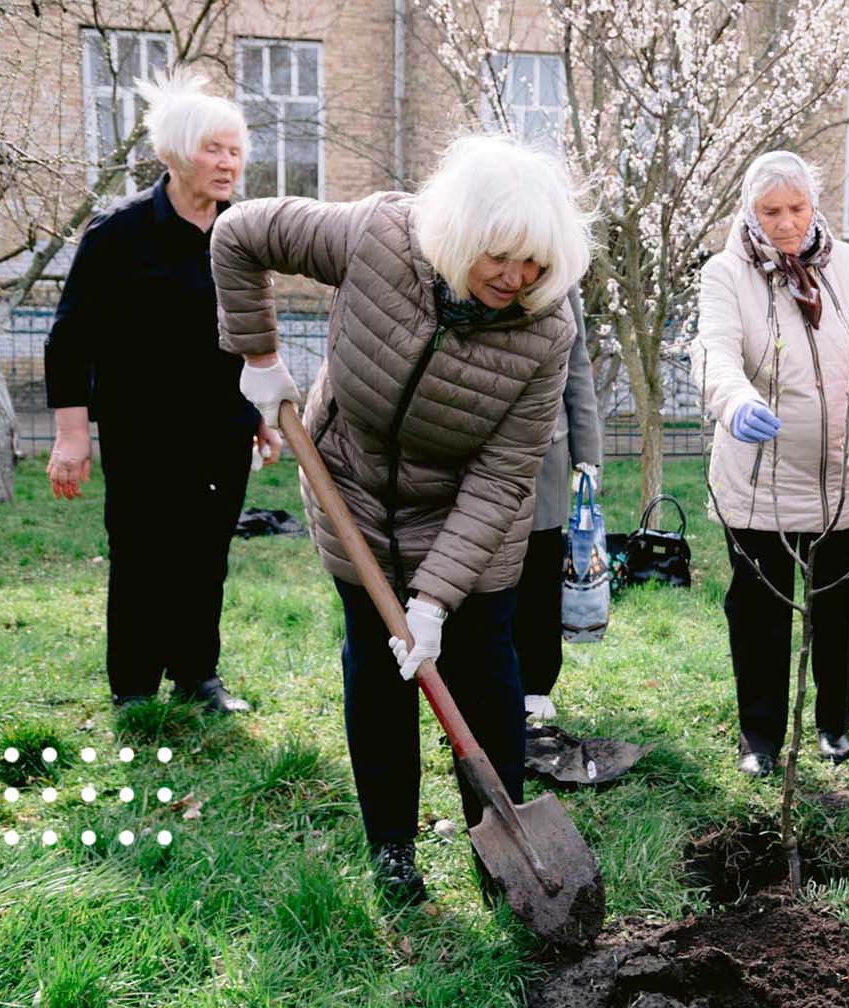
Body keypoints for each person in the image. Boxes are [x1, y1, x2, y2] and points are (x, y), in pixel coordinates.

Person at [211, 134, 592, 905]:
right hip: (349, 491)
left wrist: (434, 599)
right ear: (459, 235)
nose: (516, 278)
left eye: (536, 265)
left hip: (469, 521)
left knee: (484, 677)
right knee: (376, 676)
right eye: (499, 256)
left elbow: (503, 474)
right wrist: (257, 356)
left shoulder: (546, 332)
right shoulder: (381, 236)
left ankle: (501, 852)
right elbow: (239, 234)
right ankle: (391, 848)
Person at [44, 68, 264, 715]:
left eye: (235, 150)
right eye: (214, 150)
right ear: (175, 153)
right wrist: (71, 434)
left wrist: (258, 414)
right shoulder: (118, 233)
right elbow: (69, 339)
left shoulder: (240, 233)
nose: (228, 163)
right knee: (142, 554)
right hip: (142, 430)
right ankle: (134, 688)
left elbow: (248, 332)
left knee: (206, 554)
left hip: (221, 430)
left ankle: (198, 675)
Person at [695, 150, 849, 777]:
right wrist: (733, 402)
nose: (786, 223)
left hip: (846, 479)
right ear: (749, 213)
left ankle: (833, 727)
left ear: (814, 206)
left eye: (797, 208)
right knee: (758, 616)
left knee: (839, 615)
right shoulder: (727, 274)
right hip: (759, 483)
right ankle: (759, 737)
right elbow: (713, 352)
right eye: (770, 211)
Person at [515, 289, 603, 723]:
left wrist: (587, 456)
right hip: (475, 447)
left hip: (544, 454)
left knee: (538, 569)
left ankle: (535, 684)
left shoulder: (560, 275)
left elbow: (578, 367)